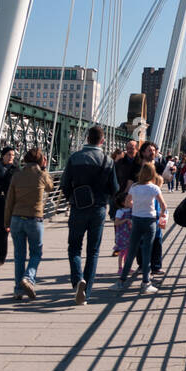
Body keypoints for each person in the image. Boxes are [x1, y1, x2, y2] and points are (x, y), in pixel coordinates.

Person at [60, 125, 117, 305]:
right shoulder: (108, 161)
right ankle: (87, 292)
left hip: (78, 208)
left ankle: (78, 280)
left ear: (87, 138)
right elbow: (115, 188)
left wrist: (73, 197)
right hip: (99, 209)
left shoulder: (75, 158)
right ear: (102, 140)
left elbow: (64, 184)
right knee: (93, 251)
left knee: (74, 247)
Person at [4, 148, 54, 301]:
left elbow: (9, 200)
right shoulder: (41, 175)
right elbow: (50, 187)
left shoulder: (17, 175)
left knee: (19, 256)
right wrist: (44, 168)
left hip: (17, 219)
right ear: (40, 161)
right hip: (34, 218)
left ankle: (18, 290)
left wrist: (7, 222)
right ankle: (29, 278)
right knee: (36, 253)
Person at [119, 163, 168, 296]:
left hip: (136, 220)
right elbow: (163, 205)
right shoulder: (154, 188)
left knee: (132, 251)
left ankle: (121, 281)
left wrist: (136, 205)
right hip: (150, 221)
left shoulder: (134, 187)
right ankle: (146, 283)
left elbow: (128, 203)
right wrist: (162, 215)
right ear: (153, 174)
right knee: (147, 252)